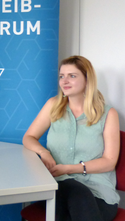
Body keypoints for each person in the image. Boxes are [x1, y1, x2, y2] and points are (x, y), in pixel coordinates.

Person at [22, 55, 120, 221]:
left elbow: (109, 161)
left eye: (72, 76)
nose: (64, 81)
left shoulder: (108, 114)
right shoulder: (53, 105)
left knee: (76, 202)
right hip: (58, 184)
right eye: (62, 76)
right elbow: (29, 137)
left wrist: (68, 168)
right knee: (75, 193)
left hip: (98, 191)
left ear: (88, 80)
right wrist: (43, 152)